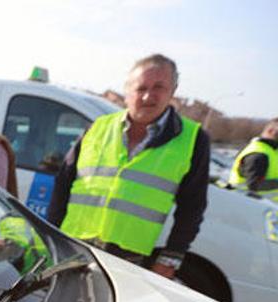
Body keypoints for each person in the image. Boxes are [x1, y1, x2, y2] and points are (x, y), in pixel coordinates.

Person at [47, 54, 210, 279]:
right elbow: (63, 182)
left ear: (173, 91)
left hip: (127, 260)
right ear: (127, 91)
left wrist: (170, 258)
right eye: (140, 87)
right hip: (73, 245)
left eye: (159, 87)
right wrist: (51, 235)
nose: (147, 96)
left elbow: (192, 207)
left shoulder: (192, 139)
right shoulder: (98, 127)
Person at [229, 118, 278, 201]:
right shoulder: (258, 154)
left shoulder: (271, 151)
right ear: (270, 131)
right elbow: (254, 185)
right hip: (250, 206)